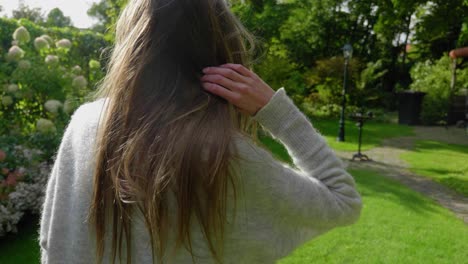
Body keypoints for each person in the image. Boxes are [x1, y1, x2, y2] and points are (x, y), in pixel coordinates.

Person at [39, 0, 362, 263]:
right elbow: (344, 200)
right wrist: (277, 113)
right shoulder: (226, 157)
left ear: (133, 43)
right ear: (222, 52)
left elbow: (50, 240)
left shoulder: (84, 125)